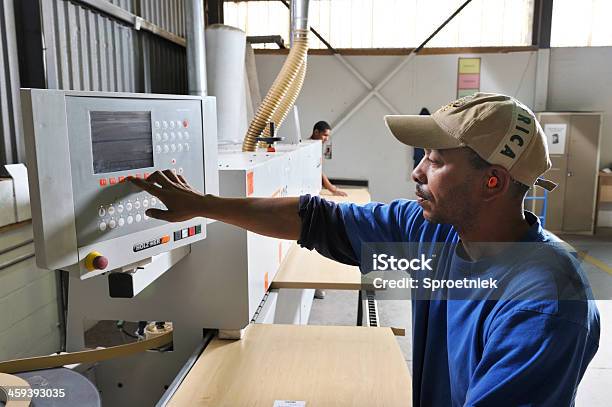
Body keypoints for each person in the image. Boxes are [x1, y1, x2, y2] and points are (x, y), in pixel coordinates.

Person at [130, 93, 600, 406]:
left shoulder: (546, 305)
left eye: (435, 161)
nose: (417, 172)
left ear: (492, 182)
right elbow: (315, 218)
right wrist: (203, 205)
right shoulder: (434, 231)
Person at [310, 121, 348, 197]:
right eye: (325, 135)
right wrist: (332, 189)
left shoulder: (316, 146)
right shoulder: (310, 148)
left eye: (328, 136)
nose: (327, 139)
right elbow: (318, 171)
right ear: (316, 132)